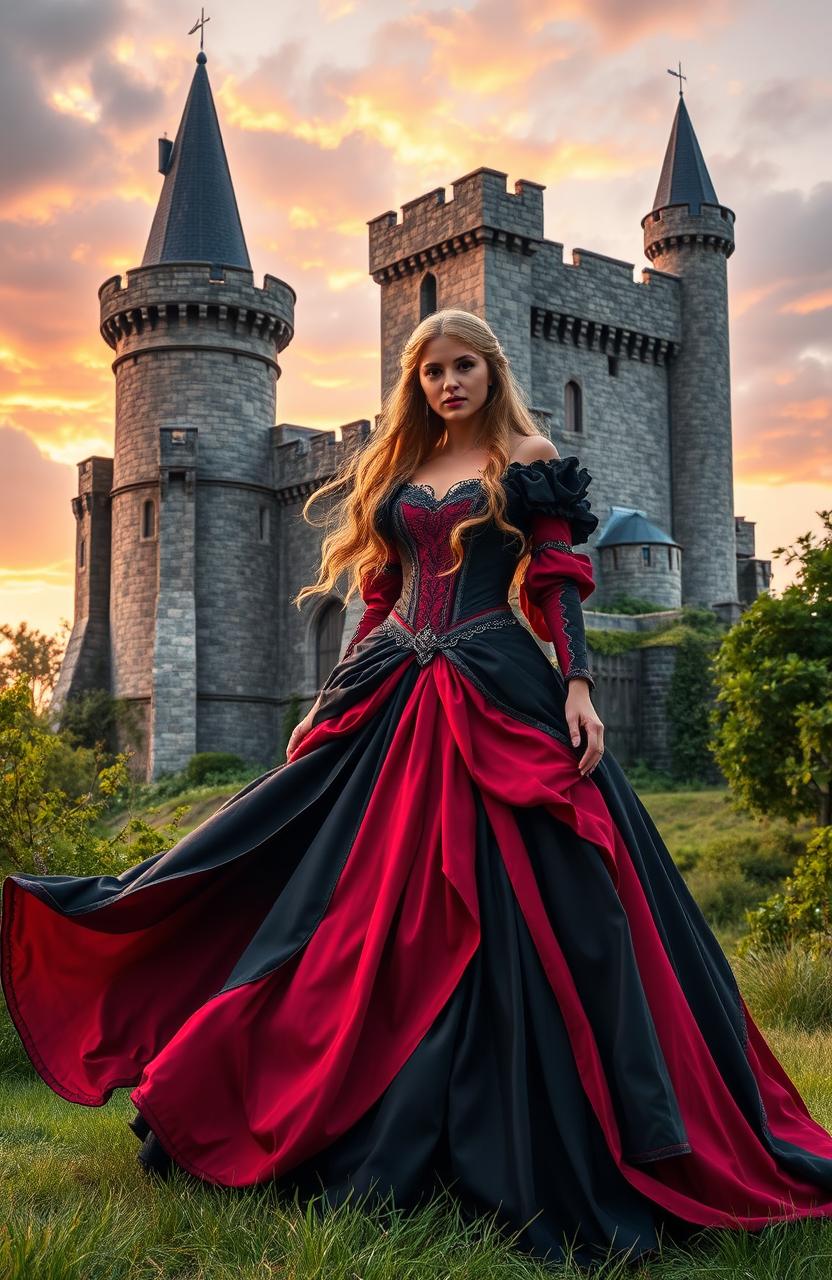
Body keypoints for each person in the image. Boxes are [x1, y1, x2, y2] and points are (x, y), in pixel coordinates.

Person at [3, 307, 832, 1271]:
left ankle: (534, 1130)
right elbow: (385, 593)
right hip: (394, 685)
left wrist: (577, 683)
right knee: (317, 881)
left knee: (553, 907)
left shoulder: (527, 455)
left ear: (492, 369)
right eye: (433, 370)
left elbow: (558, 576)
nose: (449, 383)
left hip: (494, 682)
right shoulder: (400, 467)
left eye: (465, 366)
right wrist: (333, 696)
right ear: (417, 381)